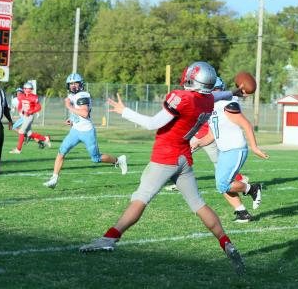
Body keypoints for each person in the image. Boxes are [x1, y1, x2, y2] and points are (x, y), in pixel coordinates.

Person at [79, 62, 247, 275]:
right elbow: (217, 96)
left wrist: (124, 111)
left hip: (166, 156)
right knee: (198, 204)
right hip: (184, 158)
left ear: (192, 79)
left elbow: (152, 124)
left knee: (140, 198)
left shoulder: (183, 97)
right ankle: (226, 243)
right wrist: (232, 92)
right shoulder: (206, 100)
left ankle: (109, 238)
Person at [191, 76, 269, 223]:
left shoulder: (227, 104)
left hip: (235, 149)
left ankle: (252, 188)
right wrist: (199, 143)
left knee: (223, 184)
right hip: (225, 150)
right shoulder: (211, 107)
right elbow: (212, 134)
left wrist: (254, 147)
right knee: (221, 184)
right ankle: (242, 213)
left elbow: (246, 125)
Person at [44, 73, 128, 188]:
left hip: (86, 132)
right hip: (75, 130)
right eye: (71, 84)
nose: (73, 86)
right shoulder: (72, 95)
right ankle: (54, 179)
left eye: (75, 83)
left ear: (81, 84)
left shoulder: (82, 95)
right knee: (61, 152)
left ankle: (118, 160)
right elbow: (78, 113)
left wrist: (69, 107)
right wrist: (72, 120)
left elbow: (84, 113)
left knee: (96, 158)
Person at [165, 76, 249, 191]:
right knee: (180, 156)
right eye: (212, 89)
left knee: (219, 164)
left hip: (209, 136)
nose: (213, 92)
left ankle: (240, 179)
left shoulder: (224, 102)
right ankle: (180, 182)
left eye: (216, 89)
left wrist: (236, 93)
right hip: (198, 135)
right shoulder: (206, 98)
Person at [10, 82, 51, 154]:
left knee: (21, 131)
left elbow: (39, 107)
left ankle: (18, 149)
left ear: (31, 89)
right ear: (24, 89)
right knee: (29, 134)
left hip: (29, 116)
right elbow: (20, 104)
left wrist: (31, 111)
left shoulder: (34, 97)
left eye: (29, 89)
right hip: (24, 116)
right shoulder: (21, 96)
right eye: (26, 88)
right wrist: (20, 110)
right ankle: (45, 138)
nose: (27, 90)